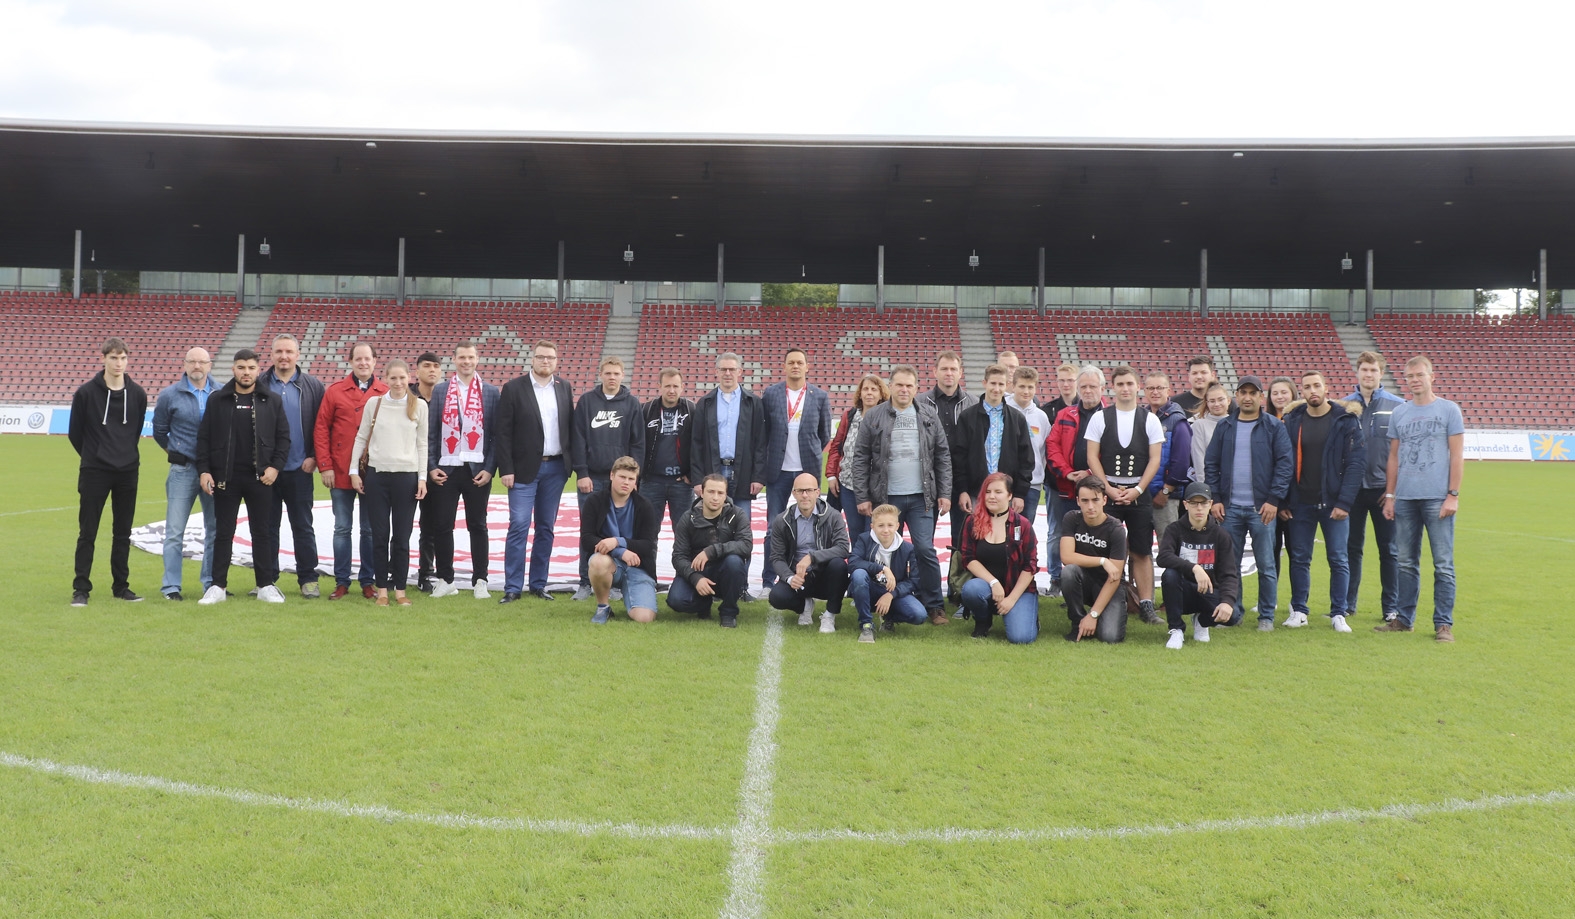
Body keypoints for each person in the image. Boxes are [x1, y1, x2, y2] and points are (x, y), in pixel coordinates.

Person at [843, 364, 953, 625]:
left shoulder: (928, 414)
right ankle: (886, 604)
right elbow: (861, 457)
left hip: (921, 497)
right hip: (886, 498)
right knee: (887, 552)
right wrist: (862, 496)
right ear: (890, 386)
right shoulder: (874, 415)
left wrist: (945, 492)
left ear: (916, 388)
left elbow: (942, 455)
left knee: (924, 549)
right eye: (899, 385)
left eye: (909, 385)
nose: (904, 389)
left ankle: (934, 605)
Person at [1376, 355, 1464, 642]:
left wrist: (1452, 495)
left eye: (1419, 375)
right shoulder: (1400, 413)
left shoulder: (1448, 410)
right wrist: (1390, 496)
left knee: (1443, 564)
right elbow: (1393, 457)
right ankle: (1404, 619)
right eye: (1410, 376)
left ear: (1431, 377)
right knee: (1405, 562)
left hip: (1437, 498)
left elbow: (1457, 455)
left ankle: (1443, 625)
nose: (1414, 380)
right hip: (1405, 498)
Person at [195, 349, 290, 605]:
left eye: (250, 368)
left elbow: (283, 438)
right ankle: (217, 586)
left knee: (262, 532)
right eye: (241, 367)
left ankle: (265, 585)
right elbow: (204, 438)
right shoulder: (218, 400)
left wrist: (275, 467)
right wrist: (204, 470)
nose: (246, 372)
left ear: (258, 370)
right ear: (233, 369)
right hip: (226, 478)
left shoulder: (271, 400)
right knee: (223, 533)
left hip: (260, 478)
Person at [1204, 375, 1294, 630]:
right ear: (1236, 396)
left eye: (1252, 393)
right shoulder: (1225, 426)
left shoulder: (1273, 426)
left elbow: (1284, 465)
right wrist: (1216, 499)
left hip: (1262, 509)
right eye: (1242, 392)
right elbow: (1211, 464)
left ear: (1260, 397)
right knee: (1229, 566)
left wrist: (1274, 500)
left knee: (1266, 565)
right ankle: (1233, 613)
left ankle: (1266, 616)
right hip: (1229, 509)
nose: (1247, 397)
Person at [1279, 370, 1365, 632]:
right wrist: (1283, 501)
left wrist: (1345, 503)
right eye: (1307, 387)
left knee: (1338, 559)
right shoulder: (1292, 420)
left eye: (1316, 385)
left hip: (1333, 504)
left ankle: (1339, 613)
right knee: (1299, 559)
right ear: (1302, 392)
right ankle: (1299, 610)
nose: (1312, 390)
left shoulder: (1345, 420)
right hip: (1300, 504)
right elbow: (1282, 462)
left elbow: (1355, 464)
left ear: (1326, 388)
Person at [69, 337, 149, 606]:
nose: (118, 363)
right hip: (95, 471)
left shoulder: (137, 394)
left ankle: (121, 587)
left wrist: (124, 455)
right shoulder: (85, 393)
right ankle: (81, 589)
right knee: (87, 532)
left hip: (128, 471)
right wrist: (94, 456)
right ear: (103, 358)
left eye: (123, 358)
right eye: (113, 357)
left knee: (123, 533)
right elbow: (75, 433)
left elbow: (134, 432)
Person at [1084, 365, 1165, 625]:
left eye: (1130, 383)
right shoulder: (1100, 418)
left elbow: (1155, 459)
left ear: (1137, 387)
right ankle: (1104, 601)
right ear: (1113, 388)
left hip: (1138, 494)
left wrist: (1138, 489)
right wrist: (1106, 488)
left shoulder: (1150, 419)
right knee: (1105, 550)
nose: (1125, 388)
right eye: (1120, 384)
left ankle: (1146, 604)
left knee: (1141, 550)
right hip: (1107, 493)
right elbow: (1091, 457)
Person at [495, 339, 574, 603]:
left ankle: (539, 584)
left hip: (556, 468)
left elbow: (569, 427)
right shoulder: (513, 388)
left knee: (546, 528)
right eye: (541, 357)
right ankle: (513, 587)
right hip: (522, 470)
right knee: (519, 525)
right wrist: (506, 468)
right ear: (533, 359)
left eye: (550, 357)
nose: (545, 361)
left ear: (556, 361)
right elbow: (503, 433)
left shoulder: (564, 387)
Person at [349, 360, 430, 607]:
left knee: (402, 538)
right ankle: (382, 590)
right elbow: (361, 437)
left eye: (402, 378)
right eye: (393, 378)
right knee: (379, 536)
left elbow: (422, 444)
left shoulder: (419, 406)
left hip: (407, 478)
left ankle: (400, 590)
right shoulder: (374, 404)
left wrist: (422, 478)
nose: (398, 383)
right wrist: (354, 471)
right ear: (385, 378)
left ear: (409, 378)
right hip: (377, 477)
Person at [425, 341, 499, 600]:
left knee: (477, 525)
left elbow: (495, 436)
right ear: (454, 360)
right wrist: (431, 466)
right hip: (447, 469)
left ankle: (481, 580)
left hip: (477, 470)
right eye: (462, 357)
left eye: (471, 357)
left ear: (477, 359)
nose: (466, 361)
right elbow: (431, 433)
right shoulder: (441, 390)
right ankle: (446, 579)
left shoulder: (491, 392)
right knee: (442, 525)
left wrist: (489, 469)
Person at [314, 342, 386, 600]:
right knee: (342, 528)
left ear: (375, 361)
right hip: (341, 470)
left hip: (373, 472)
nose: (363, 363)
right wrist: (325, 466)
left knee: (369, 530)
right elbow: (321, 429)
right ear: (351, 361)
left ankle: (368, 581)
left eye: (367, 358)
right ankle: (342, 581)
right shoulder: (334, 391)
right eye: (358, 359)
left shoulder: (386, 392)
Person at [571, 356, 645, 600]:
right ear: (600, 374)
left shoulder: (631, 404)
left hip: (620, 481)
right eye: (608, 373)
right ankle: (585, 582)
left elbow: (637, 443)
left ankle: (613, 582)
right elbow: (578, 438)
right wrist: (582, 472)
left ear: (623, 375)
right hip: (591, 478)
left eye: (616, 373)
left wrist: (633, 479)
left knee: (618, 531)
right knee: (589, 529)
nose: (612, 377)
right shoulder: (587, 401)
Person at [760, 348, 832, 596]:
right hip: (778, 471)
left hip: (807, 472)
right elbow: (764, 431)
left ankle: (812, 579)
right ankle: (768, 580)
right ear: (784, 366)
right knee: (773, 528)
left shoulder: (819, 396)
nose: (795, 366)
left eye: (800, 362)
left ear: (807, 367)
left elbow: (824, 435)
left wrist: (809, 452)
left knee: (813, 527)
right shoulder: (771, 394)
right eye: (791, 362)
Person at [259, 334, 326, 599]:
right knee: (267, 527)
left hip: (300, 468)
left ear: (297, 355)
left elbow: (322, 425)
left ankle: (308, 579)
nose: (284, 356)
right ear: (272, 354)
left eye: (289, 351)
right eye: (279, 352)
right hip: (267, 472)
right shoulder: (260, 384)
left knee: (303, 527)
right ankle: (267, 580)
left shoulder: (313, 386)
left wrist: (314, 456)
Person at [151, 347, 216, 601]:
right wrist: (177, 451)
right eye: (192, 362)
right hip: (183, 470)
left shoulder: (221, 392)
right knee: (175, 532)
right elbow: (159, 431)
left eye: (202, 362)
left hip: (213, 471)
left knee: (215, 530)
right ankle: (171, 587)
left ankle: (210, 583)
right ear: (185, 364)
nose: (197, 366)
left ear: (209, 365)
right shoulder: (169, 395)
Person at [1345, 350, 1404, 623]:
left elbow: (1402, 451)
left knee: (1389, 550)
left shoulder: (1398, 406)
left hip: (1384, 490)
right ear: (1357, 372)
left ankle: (1391, 607)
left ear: (1381, 373)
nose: (1368, 374)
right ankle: (1347, 604)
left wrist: (1394, 490)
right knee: (1351, 549)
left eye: (1373, 370)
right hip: (1352, 491)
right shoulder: (1344, 406)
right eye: (1364, 370)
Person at [917, 350, 977, 601]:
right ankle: (924, 590)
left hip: (963, 481)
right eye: (944, 368)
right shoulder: (920, 402)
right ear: (935, 372)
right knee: (924, 540)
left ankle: (957, 590)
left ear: (961, 372)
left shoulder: (974, 403)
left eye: (953, 369)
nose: (949, 373)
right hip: (928, 480)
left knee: (962, 539)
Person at [1045, 365, 1108, 597]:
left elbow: (1112, 451)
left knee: (1097, 537)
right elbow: (1052, 445)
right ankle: (1065, 583)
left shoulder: (1110, 416)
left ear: (1102, 388)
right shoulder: (1065, 414)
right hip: (1067, 488)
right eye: (1084, 386)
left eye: (1092, 386)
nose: (1088, 391)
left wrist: (1090, 472)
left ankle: (1100, 584)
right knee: (1066, 535)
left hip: (1099, 490)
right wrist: (1067, 472)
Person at [1154, 483, 1241, 649]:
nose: (1199, 508)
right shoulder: (1174, 529)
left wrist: (1227, 602)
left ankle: (1202, 621)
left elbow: (1229, 574)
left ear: (1210, 504)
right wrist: (1195, 568)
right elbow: (1163, 557)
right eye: (1194, 503)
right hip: (1182, 592)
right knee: (1170, 574)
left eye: (1204, 503)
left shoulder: (1221, 535)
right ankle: (1176, 629)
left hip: (1208, 591)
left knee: (1234, 615)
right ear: (1185, 505)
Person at [956, 472, 1041, 643]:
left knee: (1021, 638)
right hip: (986, 587)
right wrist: (994, 583)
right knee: (971, 590)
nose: (992, 496)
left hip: (1017, 589)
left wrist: (1011, 599)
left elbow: (1030, 566)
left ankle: (1030, 618)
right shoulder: (972, 521)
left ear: (1010, 495)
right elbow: (968, 558)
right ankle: (983, 621)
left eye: (998, 492)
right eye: (988, 492)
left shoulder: (1023, 524)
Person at [688, 351, 767, 526]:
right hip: (713, 471)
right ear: (716, 371)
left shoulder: (753, 402)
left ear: (740, 371)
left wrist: (758, 477)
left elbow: (760, 443)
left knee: (741, 524)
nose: (728, 373)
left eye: (732, 369)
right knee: (711, 525)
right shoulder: (705, 403)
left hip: (743, 471)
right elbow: (696, 444)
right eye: (723, 369)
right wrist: (697, 479)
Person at [767, 472, 851, 632]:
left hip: (824, 575)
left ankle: (830, 615)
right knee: (777, 597)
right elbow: (776, 557)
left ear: (817, 492)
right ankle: (804, 605)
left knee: (839, 565)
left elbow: (842, 548)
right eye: (800, 491)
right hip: (798, 576)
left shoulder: (833, 516)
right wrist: (789, 578)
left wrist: (812, 557)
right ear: (794, 493)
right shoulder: (782, 520)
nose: (805, 495)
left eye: (809, 490)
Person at [581, 456, 660, 624]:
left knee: (644, 618)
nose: (626, 482)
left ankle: (634, 594)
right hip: (610, 562)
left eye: (631, 479)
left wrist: (618, 541)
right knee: (598, 561)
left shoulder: (644, 505)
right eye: (622, 477)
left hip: (638, 567)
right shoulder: (594, 501)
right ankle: (603, 607)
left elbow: (648, 545)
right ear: (612, 475)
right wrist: (620, 552)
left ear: (635, 482)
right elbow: (587, 539)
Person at [668, 474, 752, 627]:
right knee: (676, 601)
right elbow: (678, 556)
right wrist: (695, 578)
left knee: (734, 561)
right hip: (697, 570)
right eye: (711, 492)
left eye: (720, 493)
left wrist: (712, 551)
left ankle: (728, 612)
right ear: (702, 493)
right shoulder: (688, 518)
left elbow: (746, 545)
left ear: (726, 495)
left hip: (725, 571)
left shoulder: (737, 514)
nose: (715, 497)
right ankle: (703, 603)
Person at [953, 364, 1033, 516]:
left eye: (1001, 384)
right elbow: (959, 458)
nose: (996, 389)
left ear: (1007, 385)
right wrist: (962, 490)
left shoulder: (1017, 419)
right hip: (975, 494)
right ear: (984, 383)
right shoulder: (967, 417)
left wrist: (1020, 493)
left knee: (1004, 531)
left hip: (1006, 494)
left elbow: (1026, 459)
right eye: (993, 383)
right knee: (976, 530)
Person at [1059, 476, 1128, 643]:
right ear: (1078, 501)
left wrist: (1093, 614)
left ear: (1104, 500)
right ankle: (1078, 623)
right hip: (1082, 581)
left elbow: (1114, 577)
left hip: (1109, 584)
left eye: (1095, 500)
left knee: (1110, 637)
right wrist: (1102, 561)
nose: (1090, 506)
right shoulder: (1071, 518)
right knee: (1069, 572)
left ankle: (1099, 616)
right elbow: (1066, 557)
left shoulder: (1116, 529)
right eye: (1085, 500)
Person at [848, 504, 930, 642]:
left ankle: (889, 617)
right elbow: (852, 563)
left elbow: (913, 581)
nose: (886, 530)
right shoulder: (864, 539)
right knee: (859, 574)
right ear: (872, 526)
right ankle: (866, 625)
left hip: (893, 592)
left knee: (919, 615)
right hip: (870, 589)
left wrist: (891, 595)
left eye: (890, 525)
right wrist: (882, 568)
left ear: (897, 526)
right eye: (881, 525)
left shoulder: (907, 548)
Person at [825, 373, 888, 548]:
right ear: (860, 393)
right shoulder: (850, 415)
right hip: (848, 484)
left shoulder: (886, 417)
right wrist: (831, 475)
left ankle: (871, 563)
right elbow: (836, 446)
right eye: (865, 389)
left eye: (874, 389)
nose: (869, 393)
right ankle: (856, 563)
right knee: (854, 531)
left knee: (873, 532)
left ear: (881, 394)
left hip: (875, 486)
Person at [1144, 371, 1194, 560]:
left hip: (1165, 498)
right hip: (1141, 496)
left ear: (1168, 390)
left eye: (1159, 387)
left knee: (1169, 548)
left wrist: (1166, 491)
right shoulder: (1141, 417)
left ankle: (1173, 580)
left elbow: (1181, 462)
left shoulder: (1177, 420)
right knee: (1139, 548)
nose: (1155, 392)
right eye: (1151, 388)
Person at [639, 368, 694, 534]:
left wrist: (692, 475)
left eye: (675, 386)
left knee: (684, 533)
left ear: (682, 387)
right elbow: (637, 444)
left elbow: (699, 444)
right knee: (647, 532)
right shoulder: (646, 410)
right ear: (659, 386)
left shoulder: (692, 410)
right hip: (651, 482)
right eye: (667, 386)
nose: (671, 390)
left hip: (682, 484)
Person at [411, 351, 443, 592]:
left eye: (436, 366)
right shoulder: (406, 396)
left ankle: (426, 574)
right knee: (399, 525)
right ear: (417, 370)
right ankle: (393, 571)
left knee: (431, 525)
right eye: (427, 366)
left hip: (437, 470)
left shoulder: (446, 397)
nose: (432, 370)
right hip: (408, 468)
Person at [1008, 366, 1052, 528]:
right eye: (1021, 386)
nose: (1026, 391)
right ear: (1013, 386)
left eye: (1030, 387)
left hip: (1032, 485)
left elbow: (1044, 451)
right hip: (1003, 483)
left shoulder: (1041, 417)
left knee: (1023, 531)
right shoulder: (1003, 409)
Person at [1188, 381, 1232, 482]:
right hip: (1210, 484)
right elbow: (1199, 461)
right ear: (1207, 403)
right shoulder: (1199, 425)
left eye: (1220, 400)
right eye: (1212, 401)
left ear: (1229, 400)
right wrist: (1205, 487)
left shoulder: (1236, 424)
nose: (1217, 404)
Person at [1040, 363, 1079, 428]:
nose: (1065, 384)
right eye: (1062, 380)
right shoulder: (1046, 410)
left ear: (1078, 382)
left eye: (1070, 380)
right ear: (1057, 382)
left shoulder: (1086, 409)